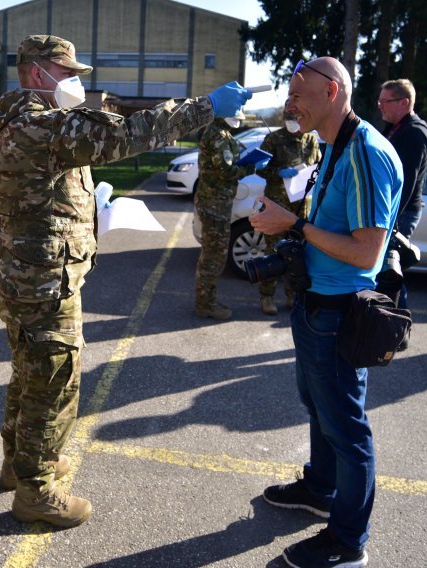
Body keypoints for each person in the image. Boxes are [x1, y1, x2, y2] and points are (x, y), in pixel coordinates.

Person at [0, 33, 253, 528]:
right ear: (35, 72)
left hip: (31, 274)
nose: (73, 83)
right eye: (66, 73)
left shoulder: (20, 123)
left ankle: (20, 463)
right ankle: (37, 489)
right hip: (45, 282)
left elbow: (42, 197)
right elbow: (128, 135)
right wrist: (204, 107)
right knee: (53, 380)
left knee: (29, 372)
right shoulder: (39, 125)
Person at [250, 57, 403, 568]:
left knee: (347, 428)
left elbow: (367, 253)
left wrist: (293, 225)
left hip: (339, 312)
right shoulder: (337, 146)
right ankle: (320, 487)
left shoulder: (363, 151)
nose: (291, 103)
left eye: (299, 93)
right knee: (319, 406)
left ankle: (348, 541)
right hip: (317, 305)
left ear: (333, 91)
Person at [195, 110, 270, 320]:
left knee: (213, 255)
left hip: (218, 202)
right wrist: (250, 167)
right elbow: (225, 171)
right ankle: (205, 304)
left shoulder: (223, 133)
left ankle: (206, 300)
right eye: (235, 116)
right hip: (213, 204)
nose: (238, 121)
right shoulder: (218, 135)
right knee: (213, 256)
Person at [376, 78, 427, 348]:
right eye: (380, 100)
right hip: (392, 210)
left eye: (386, 101)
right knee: (388, 270)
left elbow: (406, 181)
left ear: (404, 103)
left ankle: (398, 332)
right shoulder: (395, 128)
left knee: (391, 270)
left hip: (401, 212)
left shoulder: (414, 132)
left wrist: (390, 219)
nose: (380, 106)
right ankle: (392, 328)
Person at [255, 111, 321, 315]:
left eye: (297, 119)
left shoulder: (311, 139)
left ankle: (292, 295)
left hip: (302, 204)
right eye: (290, 119)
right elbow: (259, 168)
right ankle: (267, 297)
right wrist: (278, 172)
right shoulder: (273, 139)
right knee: (273, 251)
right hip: (278, 203)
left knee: (297, 252)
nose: (294, 123)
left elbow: (317, 165)